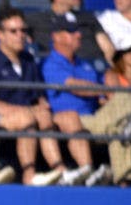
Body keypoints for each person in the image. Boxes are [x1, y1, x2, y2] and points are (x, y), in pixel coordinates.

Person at [0, 9, 68, 186]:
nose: (20, 35)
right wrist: (30, 111)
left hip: (29, 115)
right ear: (0, 34)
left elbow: (40, 98)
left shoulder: (29, 61)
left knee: (70, 118)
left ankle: (63, 172)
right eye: (13, 31)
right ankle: (29, 175)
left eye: (23, 31)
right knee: (28, 118)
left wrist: (41, 109)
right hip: (0, 119)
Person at [41, 12, 112, 186]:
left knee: (122, 118)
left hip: (96, 116)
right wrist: (103, 90)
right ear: (57, 36)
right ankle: (89, 171)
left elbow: (106, 88)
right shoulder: (51, 64)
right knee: (122, 125)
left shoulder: (84, 63)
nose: (79, 35)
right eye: (72, 32)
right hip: (71, 119)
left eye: (78, 30)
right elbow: (76, 86)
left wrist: (107, 92)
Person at [79, 37, 131, 186]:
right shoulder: (113, 75)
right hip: (110, 115)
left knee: (119, 131)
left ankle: (124, 180)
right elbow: (114, 98)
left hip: (117, 122)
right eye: (128, 51)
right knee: (124, 100)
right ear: (121, 55)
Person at [28, 0, 114, 61]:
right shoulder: (36, 19)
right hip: (61, 70)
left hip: (95, 66)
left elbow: (107, 47)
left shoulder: (88, 18)